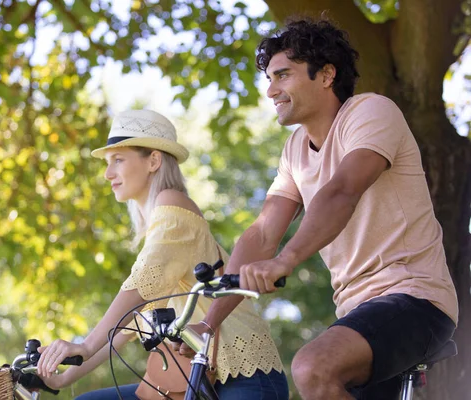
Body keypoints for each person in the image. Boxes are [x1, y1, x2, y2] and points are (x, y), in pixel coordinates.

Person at [197, 17, 459, 400]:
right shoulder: (294, 151)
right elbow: (263, 232)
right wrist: (209, 323)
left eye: (283, 76)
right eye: (269, 79)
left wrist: (285, 262)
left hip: (413, 297)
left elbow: (342, 191)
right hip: (358, 314)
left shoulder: (370, 112)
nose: (271, 91)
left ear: (326, 75)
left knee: (312, 367)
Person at [35, 109, 288, 399]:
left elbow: (143, 280)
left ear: (153, 160)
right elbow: (125, 329)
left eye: (118, 160)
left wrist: (86, 345)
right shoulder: (160, 224)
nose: (108, 174)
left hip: (244, 375)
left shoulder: (174, 207)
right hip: (198, 379)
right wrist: (61, 378)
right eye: (107, 163)